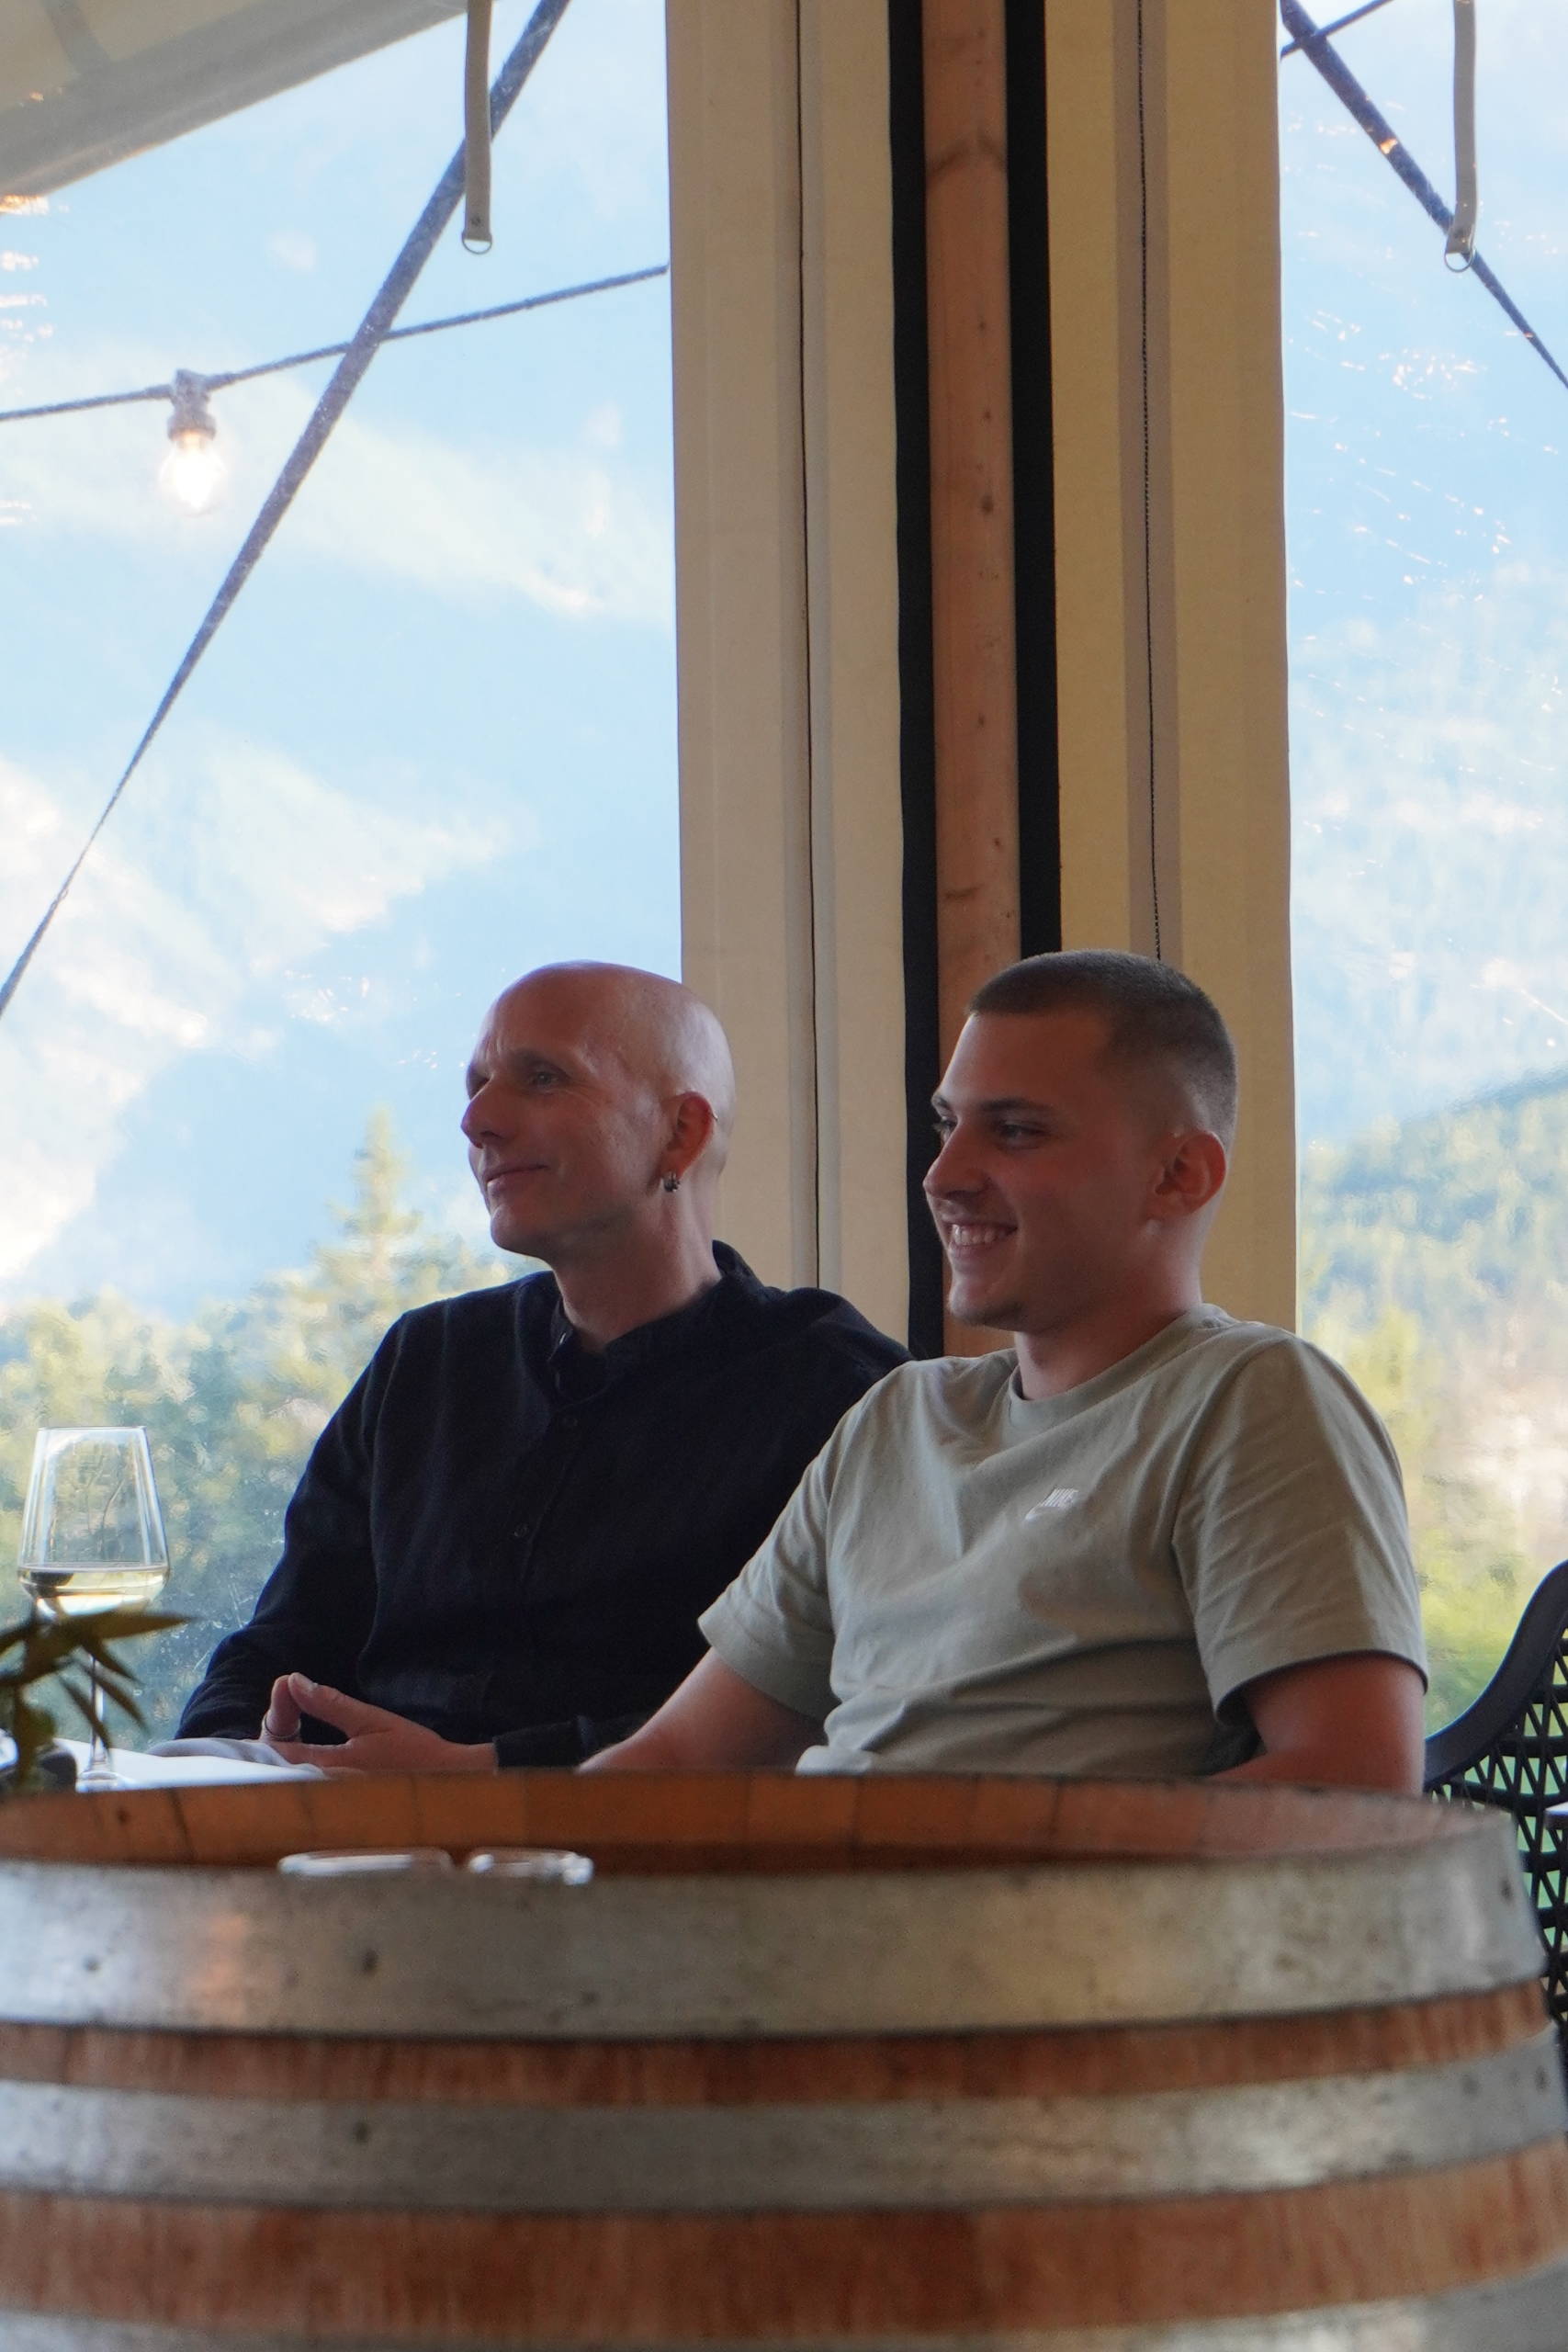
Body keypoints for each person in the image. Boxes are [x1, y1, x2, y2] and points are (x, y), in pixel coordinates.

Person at [586, 950, 1427, 1789]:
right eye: (947, 1127)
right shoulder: (897, 1417)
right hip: (818, 1874)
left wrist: (998, 1857)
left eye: (1016, 1131)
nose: (943, 1176)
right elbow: (680, 1757)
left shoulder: (1247, 1399)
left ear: (1177, 1176)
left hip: (1027, 1882)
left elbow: (1354, 1778)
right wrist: (531, 1853)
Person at [175, 962, 906, 1770]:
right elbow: (279, 1644)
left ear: (680, 1133)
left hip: (638, 1843)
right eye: (476, 1085)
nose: (476, 1121)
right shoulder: (426, 1359)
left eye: (543, 1078)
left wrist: (484, 1776)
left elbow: (811, 1714)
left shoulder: (840, 1394)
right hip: (339, 1833)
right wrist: (216, 1765)